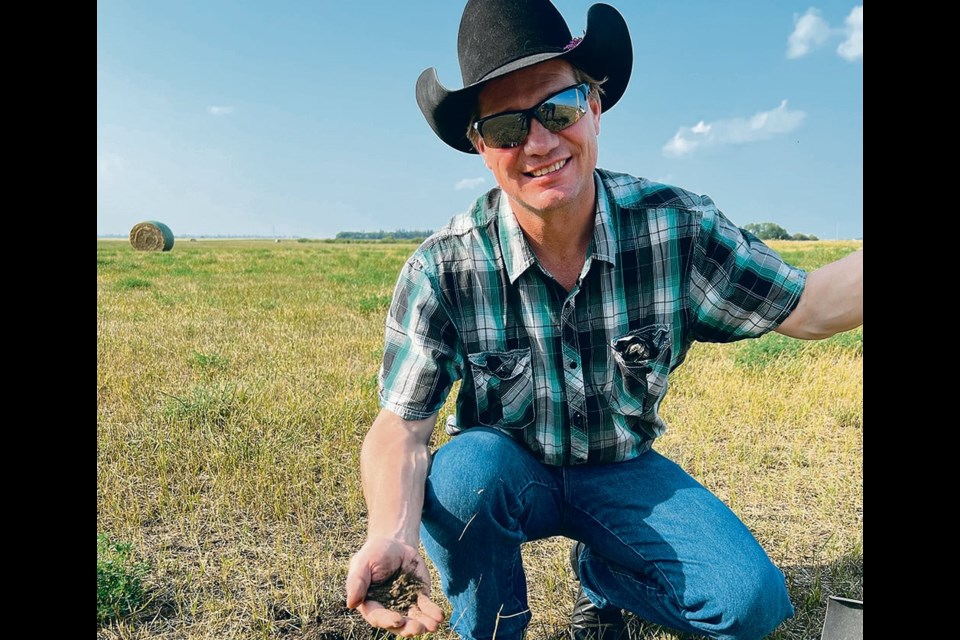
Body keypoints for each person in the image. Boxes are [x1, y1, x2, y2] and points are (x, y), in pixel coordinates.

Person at [344, 1, 863, 639]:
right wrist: (390, 533)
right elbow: (401, 429)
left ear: (595, 106)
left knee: (748, 604)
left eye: (557, 109)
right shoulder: (444, 267)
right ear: (481, 147)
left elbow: (809, 305)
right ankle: (492, 629)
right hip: (510, 473)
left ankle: (606, 573)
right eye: (506, 128)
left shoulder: (676, 227)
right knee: (461, 477)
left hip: (622, 469)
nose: (538, 143)